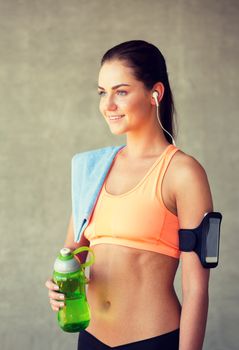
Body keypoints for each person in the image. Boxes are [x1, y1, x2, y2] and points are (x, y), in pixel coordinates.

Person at [45, 40, 213, 350]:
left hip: (152, 340)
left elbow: (196, 290)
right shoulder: (90, 169)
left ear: (155, 93)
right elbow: (73, 253)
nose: (107, 105)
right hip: (90, 337)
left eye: (120, 92)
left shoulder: (183, 173)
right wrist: (58, 284)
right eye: (102, 92)